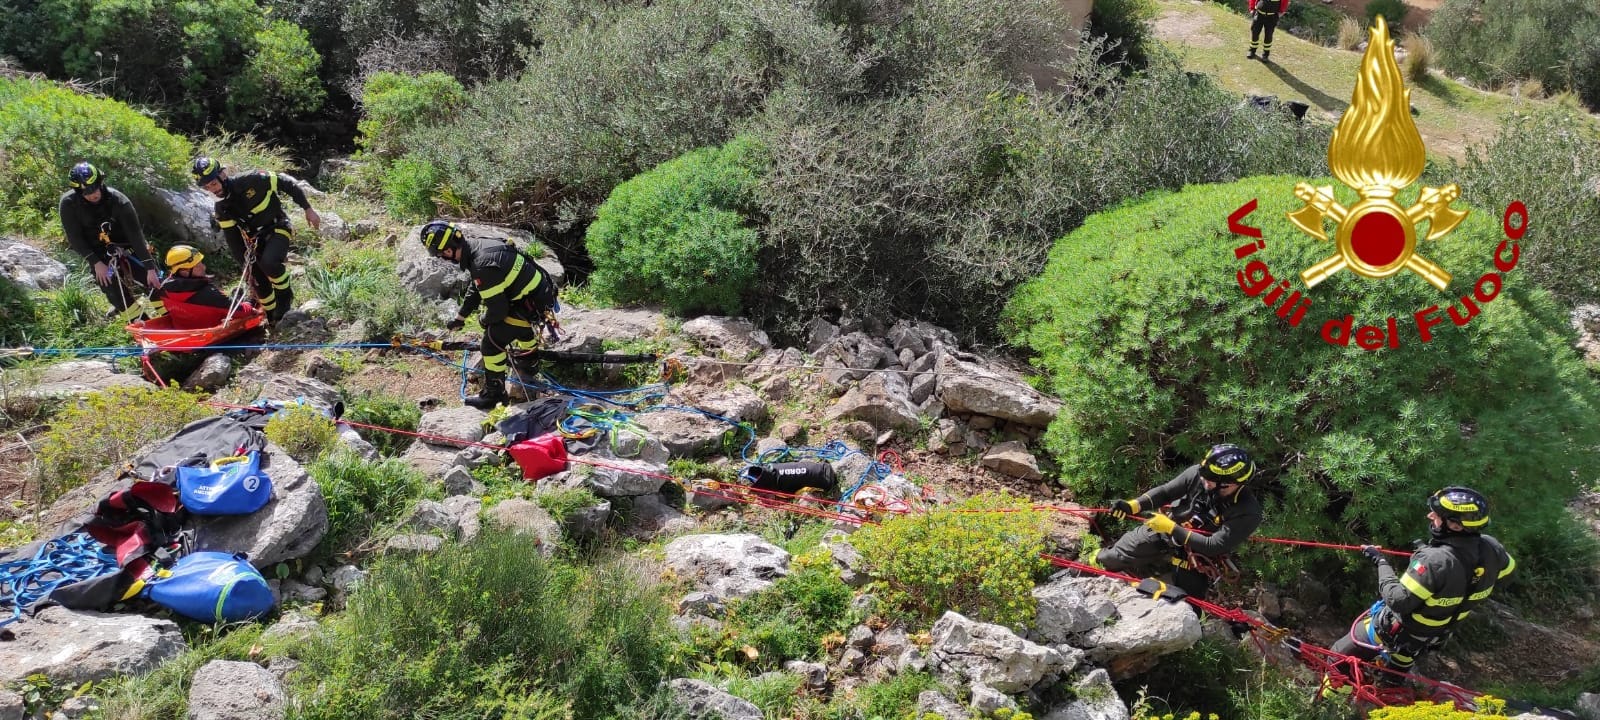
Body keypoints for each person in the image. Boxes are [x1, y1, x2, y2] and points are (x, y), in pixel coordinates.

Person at [1329, 487, 1515, 686]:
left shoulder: (1434, 561)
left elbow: (1397, 600)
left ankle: (1331, 705)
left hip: (1397, 631)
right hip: (1433, 635)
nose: (1430, 515)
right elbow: (1505, 576)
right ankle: (1391, 687)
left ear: (1455, 525)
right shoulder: (1492, 548)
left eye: (1437, 515)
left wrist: (1381, 562)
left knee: (1337, 658)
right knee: (1401, 661)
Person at [420, 220, 560, 409]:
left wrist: (483, 320)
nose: (444, 259)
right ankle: (529, 361)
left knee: (491, 341)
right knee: (511, 326)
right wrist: (461, 317)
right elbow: (477, 287)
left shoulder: (482, 265)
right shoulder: (479, 246)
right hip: (536, 295)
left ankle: (494, 394)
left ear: (447, 250)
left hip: (529, 304)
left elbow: (498, 311)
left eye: (441, 255)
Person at [1095, 443, 1263, 599]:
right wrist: (1133, 505)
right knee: (1111, 558)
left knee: (1188, 603)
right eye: (1204, 474)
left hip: (1197, 554)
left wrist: (1172, 528)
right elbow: (1166, 492)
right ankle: (1097, 558)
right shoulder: (1199, 474)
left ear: (1228, 484)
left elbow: (1214, 545)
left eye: (1210, 479)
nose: (1203, 479)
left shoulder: (1247, 511)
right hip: (1165, 532)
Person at [191, 157, 320, 323]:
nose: (212, 190)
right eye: (207, 188)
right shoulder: (222, 208)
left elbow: (287, 184)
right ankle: (272, 315)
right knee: (257, 278)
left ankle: (284, 302)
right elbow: (234, 240)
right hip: (254, 239)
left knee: (269, 263)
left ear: (223, 175)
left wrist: (307, 208)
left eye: (213, 184)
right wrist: (246, 266)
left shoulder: (253, 179)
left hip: (277, 226)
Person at [59, 162, 160, 316]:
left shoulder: (119, 201)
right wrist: (96, 263)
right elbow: (75, 238)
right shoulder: (68, 204)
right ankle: (139, 321)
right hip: (100, 254)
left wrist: (150, 268)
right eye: (86, 193)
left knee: (153, 283)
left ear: (100, 183)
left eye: (94, 190)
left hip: (128, 247)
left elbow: (136, 236)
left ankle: (169, 315)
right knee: (110, 286)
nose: (92, 195)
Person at [151, 245, 254, 329]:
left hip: (185, 336)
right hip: (209, 336)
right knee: (243, 299)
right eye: (198, 265)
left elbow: (156, 300)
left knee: (235, 295)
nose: (204, 267)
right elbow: (244, 312)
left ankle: (236, 297)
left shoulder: (163, 289)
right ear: (184, 271)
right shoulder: (208, 294)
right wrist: (250, 300)